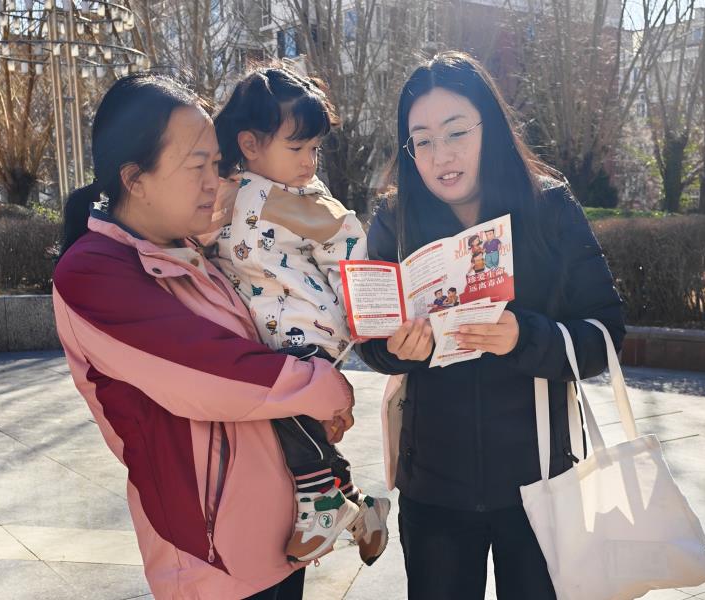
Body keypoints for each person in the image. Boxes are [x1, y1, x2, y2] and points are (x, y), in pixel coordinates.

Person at [53, 73, 355, 600]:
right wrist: (323, 387)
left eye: (216, 164)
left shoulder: (199, 253)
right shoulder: (94, 272)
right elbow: (211, 374)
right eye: (197, 166)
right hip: (211, 557)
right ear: (135, 178)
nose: (215, 182)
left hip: (279, 536)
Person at [356, 51, 626, 600]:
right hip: (434, 488)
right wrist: (399, 349)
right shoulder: (395, 218)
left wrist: (525, 337)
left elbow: (605, 334)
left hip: (540, 481)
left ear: (491, 128)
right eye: (422, 140)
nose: (442, 155)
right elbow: (370, 337)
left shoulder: (549, 206)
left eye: (457, 132)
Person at [211, 66, 390, 566]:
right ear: (249, 143)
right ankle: (359, 507)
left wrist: (364, 311)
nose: (309, 162)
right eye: (297, 148)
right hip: (271, 334)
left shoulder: (295, 199)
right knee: (293, 422)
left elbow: (346, 243)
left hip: (307, 329)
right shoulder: (229, 189)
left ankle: (320, 502)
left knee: (286, 410)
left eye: (314, 149)